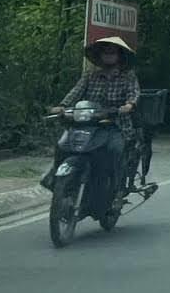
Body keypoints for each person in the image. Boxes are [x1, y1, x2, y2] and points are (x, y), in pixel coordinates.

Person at [50, 36, 141, 201]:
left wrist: (129, 105)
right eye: (105, 52)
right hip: (89, 123)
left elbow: (133, 94)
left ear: (119, 56)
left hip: (116, 124)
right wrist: (63, 106)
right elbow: (76, 91)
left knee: (115, 149)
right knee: (63, 145)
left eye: (112, 52)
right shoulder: (90, 75)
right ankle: (54, 180)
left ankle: (116, 188)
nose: (108, 56)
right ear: (100, 55)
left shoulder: (128, 76)